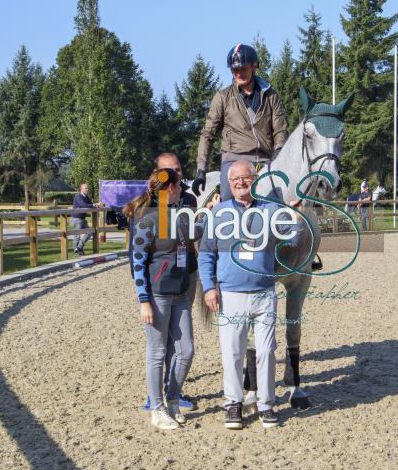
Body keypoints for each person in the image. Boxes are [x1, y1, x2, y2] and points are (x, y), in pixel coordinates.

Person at [198, 160, 306, 430]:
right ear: (229, 182)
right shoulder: (219, 212)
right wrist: (209, 287)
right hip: (231, 293)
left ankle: (267, 404)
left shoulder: (270, 210)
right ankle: (233, 403)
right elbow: (206, 253)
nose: (240, 183)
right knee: (232, 351)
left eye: (245, 178)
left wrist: (296, 220)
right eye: (235, 179)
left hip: (264, 292)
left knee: (267, 351)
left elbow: (291, 239)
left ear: (254, 180)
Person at [125, 168, 196, 430]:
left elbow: (199, 231)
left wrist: (216, 211)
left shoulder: (179, 217)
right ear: (169, 189)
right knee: (157, 353)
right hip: (157, 295)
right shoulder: (147, 220)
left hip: (180, 293)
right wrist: (144, 300)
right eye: (178, 187)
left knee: (186, 350)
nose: (181, 191)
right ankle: (157, 408)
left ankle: (173, 399)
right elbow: (138, 261)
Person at [139, 153, 199, 412]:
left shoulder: (188, 201)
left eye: (178, 169)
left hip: (183, 279)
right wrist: (144, 296)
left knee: (181, 345)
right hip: (158, 285)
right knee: (157, 347)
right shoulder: (148, 211)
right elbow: (139, 255)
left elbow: (193, 235)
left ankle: (172, 394)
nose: (178, 175)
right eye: (171, 172)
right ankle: (156, 400)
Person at [192, 43, 288, 202]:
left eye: (243, 68)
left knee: (277, 203)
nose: (238, 73)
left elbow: (280, 129)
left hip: (264, 160)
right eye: (235, 69)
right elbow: (208, 134)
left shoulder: (271, 95)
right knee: (229, 199)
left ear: (254, 66)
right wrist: (201, 169)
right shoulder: (222, 97)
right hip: (233, 159)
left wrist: (279, 150)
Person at [71, 183, 101, 256]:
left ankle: (79, 248)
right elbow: (83, 205)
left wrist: (97, 205)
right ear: (81, 189)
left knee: (90, 232)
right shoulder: (78, 196)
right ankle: (76, 252)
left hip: (82, 218)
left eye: (88, 188)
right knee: (77, 235)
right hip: (76, 218)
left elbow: (90, 204)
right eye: (86, 188)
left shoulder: (86, 196)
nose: (87, 189)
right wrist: (94, 205)